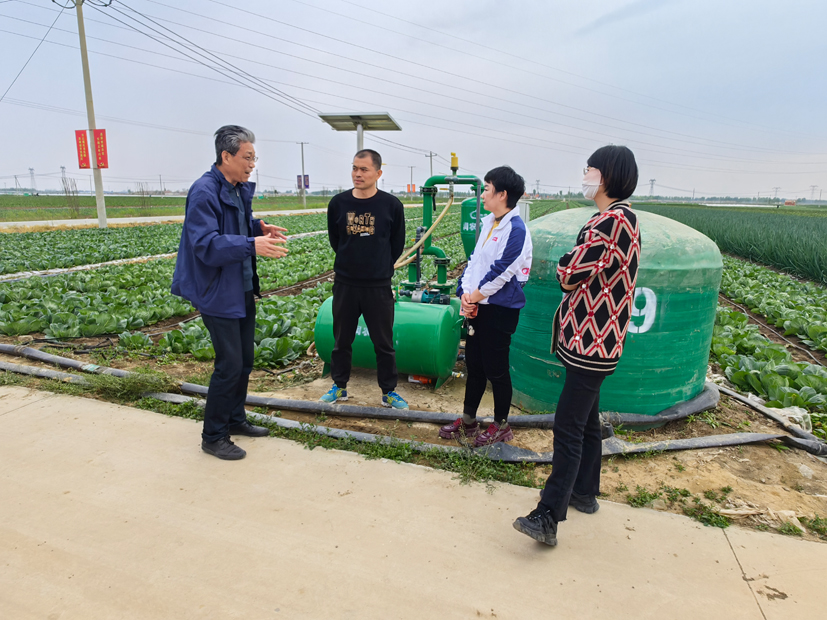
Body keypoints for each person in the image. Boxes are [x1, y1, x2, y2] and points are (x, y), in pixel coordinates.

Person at [513, 145, 641, 546]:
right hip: (598, 344)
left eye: (589, 169)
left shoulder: (609, 223)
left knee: (568, 426)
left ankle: (549, 515)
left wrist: (566, 267)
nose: (584, 175)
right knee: (586, 420)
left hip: (591, 343)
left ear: (605, 176)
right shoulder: (622, 219)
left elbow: (567, 274)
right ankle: (585, 492)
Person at [171, 125, 288, 461]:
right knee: (229, 364)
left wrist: (257, 228)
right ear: (226, 155)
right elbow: (206, 244)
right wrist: (252, 244)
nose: (252, 164)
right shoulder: (204, 191)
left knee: (245, 361)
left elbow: (235, 226)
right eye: (247, 157)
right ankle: (214, 435)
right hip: (217, 289)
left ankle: (235, 419)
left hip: (241, 286)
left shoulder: (235, 188)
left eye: (254, 158)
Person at [439, 166, 533, 446]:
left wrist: (474, 297)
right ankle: (468, 422)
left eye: (488, 189)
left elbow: (502, 272)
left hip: (499, 310)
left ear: (502, 194)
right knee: (475, 365)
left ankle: (501, 425)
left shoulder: (516, 230)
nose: (483, 195)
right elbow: (474, 263)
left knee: (497, 369)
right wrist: (464, 295)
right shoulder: (489, 223)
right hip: (478, 306)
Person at [320, 149, 408, 409]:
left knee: (383, 343)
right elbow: (336, 240)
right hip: (346, 283)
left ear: (378, 173)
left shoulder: (391, 205)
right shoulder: (338, 203)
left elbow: (397, 244)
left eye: (364, 169)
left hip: (378, 285)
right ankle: (339, 386)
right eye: (355, 168)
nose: (358, 174)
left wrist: (378, 266)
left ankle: (388, 391)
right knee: (341, 341)